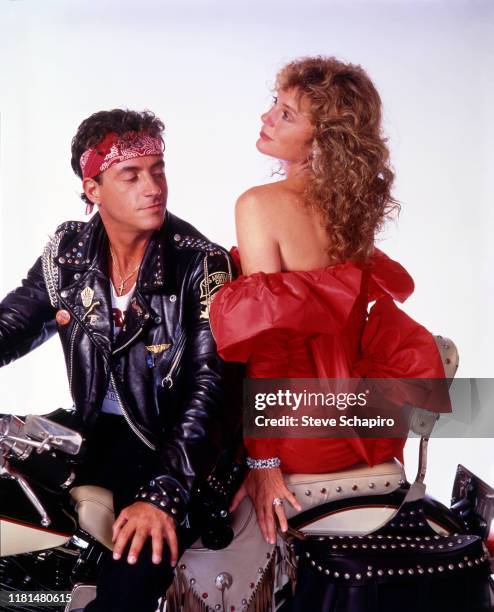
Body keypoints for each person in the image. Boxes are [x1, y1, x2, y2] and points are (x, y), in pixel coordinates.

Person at [0, 109, 238, 612]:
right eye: (131, 175)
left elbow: (207, 389)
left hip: (177, 448)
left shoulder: (200, 261)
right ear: (93, 189)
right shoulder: (69, 251)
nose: (152, 187)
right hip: (96, 433)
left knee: (124, 591)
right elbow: (12, 325)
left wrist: (165, 494)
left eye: (158, 169)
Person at [210, 57, 448, 550]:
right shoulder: (348, 206)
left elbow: (270, 347)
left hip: (298, 428)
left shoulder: (258, 204)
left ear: (323, 139)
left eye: (287, 114)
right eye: (273, 105)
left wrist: (263, 463)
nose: (266, 118)